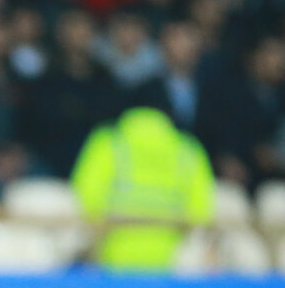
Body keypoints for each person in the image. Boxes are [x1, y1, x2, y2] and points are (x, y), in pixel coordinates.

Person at [71, 106, 214, 272]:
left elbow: (85, 196)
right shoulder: (187, 148)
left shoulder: (107, 142)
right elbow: (200, 209)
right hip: (171, 255)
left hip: (112, 252)